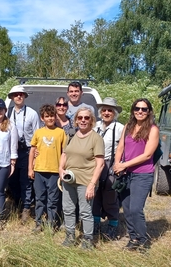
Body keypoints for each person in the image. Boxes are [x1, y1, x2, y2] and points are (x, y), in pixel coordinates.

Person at [113, 98, 159, 251]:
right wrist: (116, 163)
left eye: (144, 109)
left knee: (136, 209)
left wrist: (124, 164)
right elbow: (120, 148)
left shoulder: (153, 129)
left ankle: (143, 240)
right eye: (137, 108)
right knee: (126, 208)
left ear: (148, 112)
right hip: (126, 174)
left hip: (142, 175)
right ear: (133, 110)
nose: (140, 111)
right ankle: (133, 238)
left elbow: (147, 155)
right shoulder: (128, 127)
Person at [59, 107, 104, 250]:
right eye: (80, 118)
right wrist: (60, 169)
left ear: (91, 120)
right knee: (68, 209)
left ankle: (88, 240)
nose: (83, 120)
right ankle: (70, 236)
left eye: (86, 118)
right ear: (76, 120)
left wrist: (92, 184)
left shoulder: (96, 138)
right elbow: (64, 154)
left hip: (86, 181)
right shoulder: (71, 134)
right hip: (69, 179)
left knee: (85, 212)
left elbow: (100, 164)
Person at [28, 104, 66, 233]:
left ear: (55, 117)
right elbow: (33, 150)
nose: (50, 118)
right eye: (47, 116)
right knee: (40, 199)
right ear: (42, 118)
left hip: (54, 171)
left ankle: (51, 224)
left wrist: (62, 169)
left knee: (53, 199)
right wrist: (30, 168)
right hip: (39, 170)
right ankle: (39, 223)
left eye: (52, 116)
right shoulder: (38, 132)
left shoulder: (60, 132)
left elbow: (64, 152)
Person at [6, 86, 40, 224]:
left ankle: (26, 208)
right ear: (12, 97)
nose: (18, 97)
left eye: (21, 94)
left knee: (26, 181)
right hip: (13, 151)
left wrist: (37, 152)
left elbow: (37, 134)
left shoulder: (32, 113)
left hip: (27, 151)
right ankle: (16, 204)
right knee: (12, 180)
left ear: (24, 96)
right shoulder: (7, 114)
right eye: (16, 95)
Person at [92, 97, 124, 240]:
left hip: (111, 165)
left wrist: (120, 166)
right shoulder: (95, 126)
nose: (106, 112)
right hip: (94, 165)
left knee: (111, 196)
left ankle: (112, 226)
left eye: (109, 110)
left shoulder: (120, 128)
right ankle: (96, 224)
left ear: (114, 113)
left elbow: (124, 149)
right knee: (95, 195)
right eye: (104, 110)